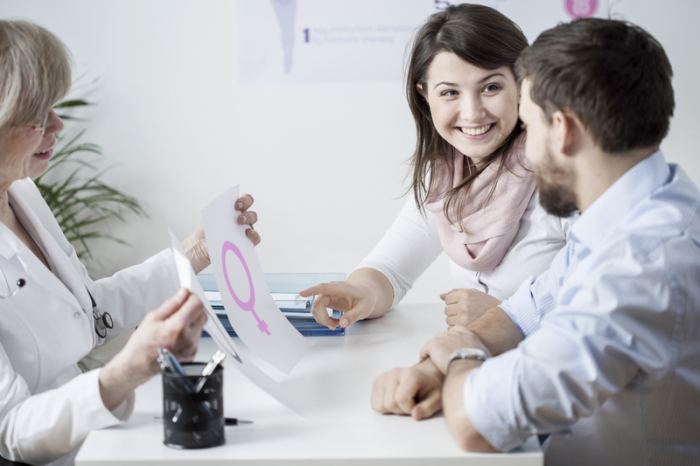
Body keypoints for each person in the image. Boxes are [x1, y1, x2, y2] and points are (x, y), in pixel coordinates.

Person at [377, 17, 700, 465]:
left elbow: (475, 424)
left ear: (562, 131)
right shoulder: (637, 209)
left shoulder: (638, 268)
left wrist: (460, 359)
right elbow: (522, 312)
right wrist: (437, 367)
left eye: (528, 125)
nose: (523, 150)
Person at [0, 20, 260, 466]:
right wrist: (126, 370)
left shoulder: (21, 192)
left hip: (93, 437)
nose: (57, 124)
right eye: (38, 117)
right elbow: (11, 430)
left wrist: (199, 250)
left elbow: (87, 311)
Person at [301, 4, 573, 331]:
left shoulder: (568, 173)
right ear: (425, 96)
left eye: (491, 87)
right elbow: (390, 269)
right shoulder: (448, 173)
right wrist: (362, 292)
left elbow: (609, 301)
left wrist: (510, 317)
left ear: (521, 85)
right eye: (449, 92)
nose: (472, 112)